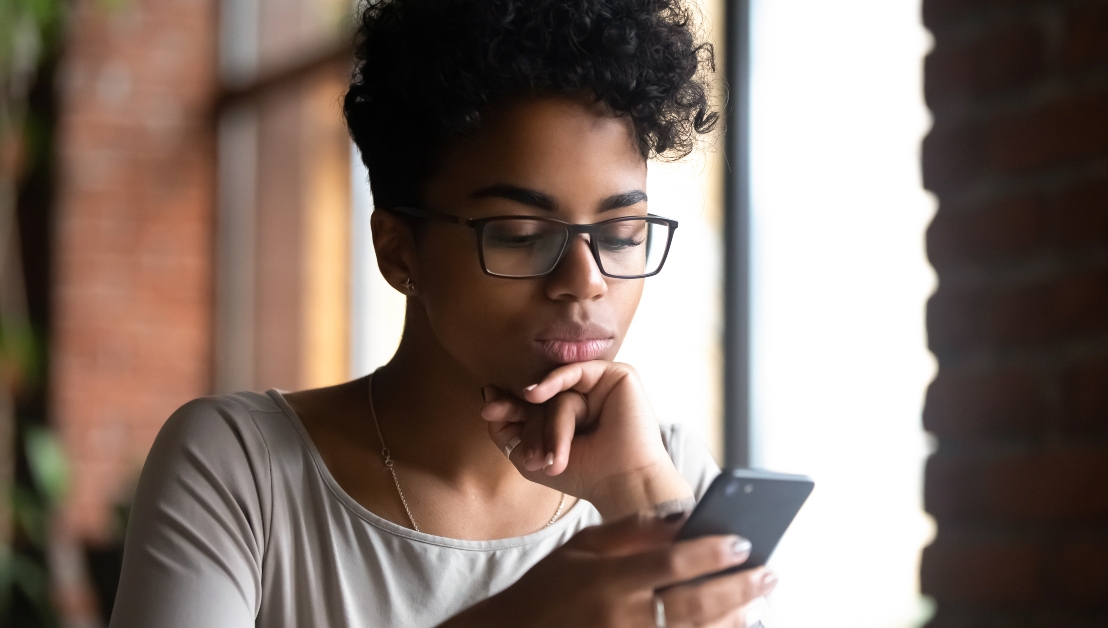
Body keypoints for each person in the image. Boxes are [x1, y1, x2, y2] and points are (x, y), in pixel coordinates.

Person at [109, 0, 775, 626]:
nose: (587, 281)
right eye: (520, 233)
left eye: (623, 234)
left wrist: (636, 489)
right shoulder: (243, 469)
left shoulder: (668, 468)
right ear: (399, 252)